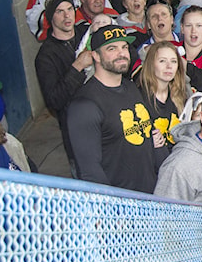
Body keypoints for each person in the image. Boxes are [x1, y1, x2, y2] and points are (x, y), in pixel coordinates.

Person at [66, 25, 161, 192]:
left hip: (152, 196)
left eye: (124, 47)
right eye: (112, 48)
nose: (121, 53)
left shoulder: (131, 87)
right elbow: (90, 172)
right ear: (95, 55)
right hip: (122, 207)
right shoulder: (84, 105)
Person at [34, 0, 89, 170]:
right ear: (51, 17)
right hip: (76, 127)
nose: (67, 16)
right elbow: (54, 100)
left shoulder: (86, 34)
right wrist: (77, 67)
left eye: (69, 9)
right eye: (59, 11)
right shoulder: (46, 56)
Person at [137, 41, 189, 150]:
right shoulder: (138, 96)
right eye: (162, 61)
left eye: (174, 61)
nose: (169, 66)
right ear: (151, 64)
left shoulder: (181, 95)